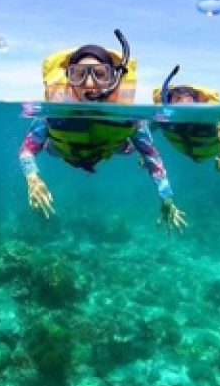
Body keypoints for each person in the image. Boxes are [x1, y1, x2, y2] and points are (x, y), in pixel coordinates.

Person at [19, 30, 187, 234]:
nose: (89, 85)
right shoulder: (52, 113)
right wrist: (33, 178)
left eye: (100, 74)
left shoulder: (130, 118)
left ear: (114, 79)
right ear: (69, 80)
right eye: (79, 75)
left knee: (140, 148)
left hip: (111, 148)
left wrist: (166, 197)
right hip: (59, 150)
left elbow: (152, 155)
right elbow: (27, 151)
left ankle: (133, 147)